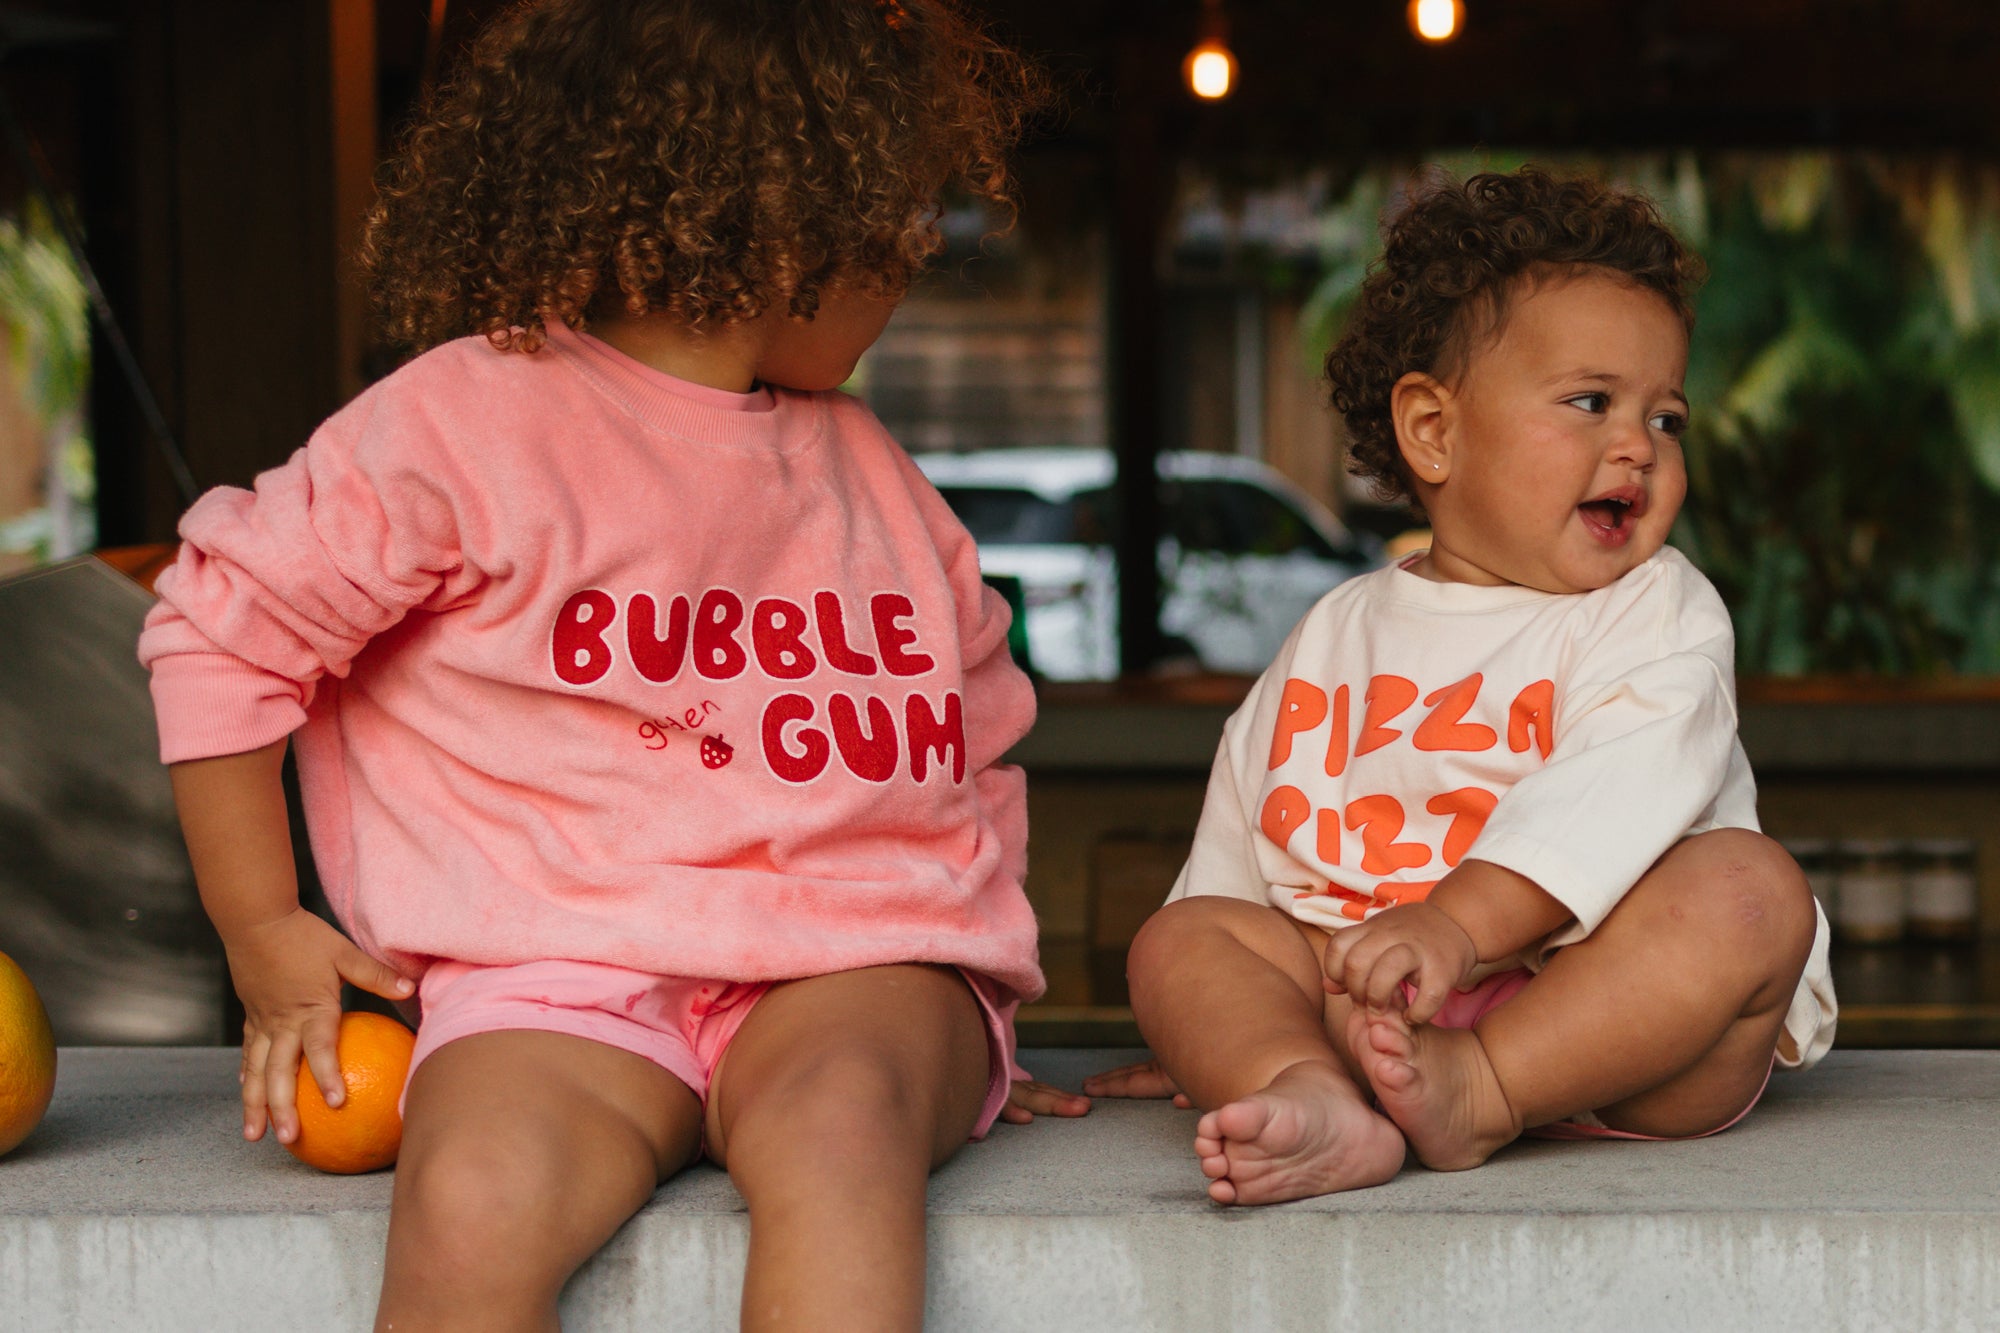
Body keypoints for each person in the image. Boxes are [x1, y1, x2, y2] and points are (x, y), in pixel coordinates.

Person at [139, 3, 1084, 1327]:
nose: (924, 245)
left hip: (852, 970)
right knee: (475, 1190)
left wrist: (954, 1019)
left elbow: (971, 743)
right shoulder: (460, 424)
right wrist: (261, 928)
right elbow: (219, 629)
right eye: (901, 210)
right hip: (553, 979)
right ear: (788, 222)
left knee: (844, 1125)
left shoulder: (879, 482)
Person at [1088, 167, 1837, 1206]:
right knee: (1183, 936)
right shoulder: (1334, 631)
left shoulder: (1656, 611)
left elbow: (1611, 799)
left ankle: (1487, 1086)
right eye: (1590, 403)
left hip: (1603, 1022)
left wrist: (1456, 928)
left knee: (1751, 892)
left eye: (1666, 418)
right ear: (1434, 432)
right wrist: (1222, 1031)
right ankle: (1305, 1090)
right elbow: (1238, 852)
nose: (1637, 445)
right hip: (1362, 1011)